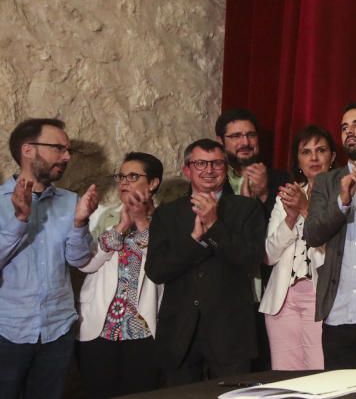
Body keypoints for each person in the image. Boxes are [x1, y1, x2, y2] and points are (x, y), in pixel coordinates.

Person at [146, 139, 266, 384]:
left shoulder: (247, 209)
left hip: (230, 331)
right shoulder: (167, 213)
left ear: (226, 168)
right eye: (200, 163)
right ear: (187, 170)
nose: (209, 170)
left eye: (217, 163)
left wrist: (213, 225)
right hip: (179, 332)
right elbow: (156, 271)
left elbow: (250, 259)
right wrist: (194, 241)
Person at [0, 118, 98, 398]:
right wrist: (20, 219)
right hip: (8, 330)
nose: (66, 157)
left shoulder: (70, 201)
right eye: (58, 148)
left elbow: (78, 260)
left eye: (68, 150)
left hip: (57, 329)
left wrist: (80, 222)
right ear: (28, 150)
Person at [304, 104, 356, 370]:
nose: (349, 131)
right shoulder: (327, 182)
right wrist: (341, 203)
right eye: (344, 127)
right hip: (337, 310)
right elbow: (312, 234)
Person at [77, 152, 165, 397]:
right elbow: (86, 264)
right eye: (121, 176)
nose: (124, 182)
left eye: (133, 176)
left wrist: (140, 221)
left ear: (153, 183)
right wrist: (121, 226)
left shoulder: (168, 219)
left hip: (143, 327)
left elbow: (164, 263)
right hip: (100, 326)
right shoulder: (101, 214)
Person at [215, 107, 290, 369]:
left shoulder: (282, 178)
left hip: (272, 295)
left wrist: (264, 197)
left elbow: (287, 234)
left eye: (250, 135)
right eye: (235, 136)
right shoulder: (213, 183)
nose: (244, 142)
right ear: (221, 143)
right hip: (226, 298)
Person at [260, 125, 335, 370]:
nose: (314, 158)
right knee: (285, 378)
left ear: (332, 157)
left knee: (320, 373)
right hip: (283, 297)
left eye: (321, 150)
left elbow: (332, 247)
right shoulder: (287, 195)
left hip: (321, 295)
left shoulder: (342, 194)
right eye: (306, 152)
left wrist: (305, 209)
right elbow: (269, 255)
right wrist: (290, 218)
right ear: (298, 160)